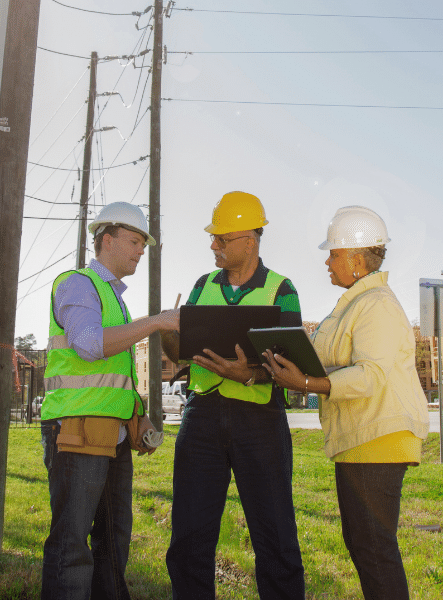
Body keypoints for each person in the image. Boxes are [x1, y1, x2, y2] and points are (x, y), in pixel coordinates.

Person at [262, 205, 429, 600]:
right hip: (361, 439)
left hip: (379, 438)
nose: (327, 261)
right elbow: (329, 358)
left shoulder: (378, 306)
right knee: (364, 546)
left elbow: (370, 375)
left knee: (373, 550)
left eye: (333, 254)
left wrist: (304, 381)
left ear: (356, 259)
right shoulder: (354, 303)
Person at [160, 191, 306, 599]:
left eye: (222, 239)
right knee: (189, 535)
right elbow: (180, 353)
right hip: (201, 419)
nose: (213, 246)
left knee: (275, 535)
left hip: (259, 423)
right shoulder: (202, 286)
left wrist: (251, 373)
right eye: (214, 238)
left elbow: (290, 363)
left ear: (250, 241)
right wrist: (168, 335)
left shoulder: (282, 290)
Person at [37, 202, 180, 600]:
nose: (139, 251)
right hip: (76, 432)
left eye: (143, 245)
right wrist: (157, 321)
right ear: (106, 240)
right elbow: (88, 346)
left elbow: (114, 378)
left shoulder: (115, 299)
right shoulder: (78, 284)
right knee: (72, 541)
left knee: (114, 539)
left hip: (110, 435)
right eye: (134, 241)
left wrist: (139, 418)